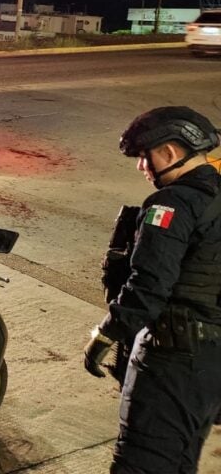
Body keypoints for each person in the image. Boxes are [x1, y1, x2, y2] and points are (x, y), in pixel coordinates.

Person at [83, 106, 221, 473]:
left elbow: (149, 284)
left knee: (142, 463)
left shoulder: (171, 204)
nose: (142, 167)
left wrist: (106, 333)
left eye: (145, 156)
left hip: (172, 360)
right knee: (179, 462)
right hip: (211, 363)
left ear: (170, 153)